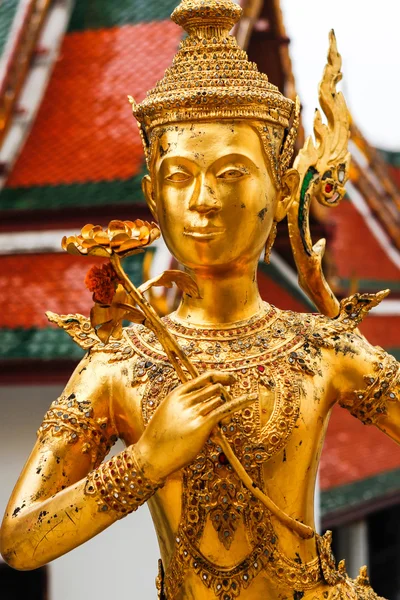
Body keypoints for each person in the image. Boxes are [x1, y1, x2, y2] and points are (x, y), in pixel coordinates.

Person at [1, 1, 396, 598]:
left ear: (284, 187)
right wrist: (148, 459)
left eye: (233, 172)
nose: (204, 199)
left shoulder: (320, 349)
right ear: (152, 196)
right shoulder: (121, 367)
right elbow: (21, 539)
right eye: (181, 175)